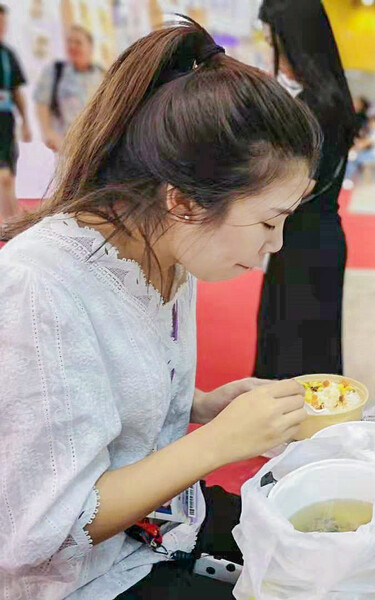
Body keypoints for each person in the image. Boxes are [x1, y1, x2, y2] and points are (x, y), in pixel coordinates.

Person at [0, 18, 321, 598]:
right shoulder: (40, 287)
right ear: (184, 201)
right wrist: (218, 442)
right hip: (87, 579)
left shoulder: (167, 246)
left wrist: (202, 405)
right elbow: (40, 532)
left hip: (165, 528)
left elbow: (101, 400)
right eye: (269, 222)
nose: (275, 245)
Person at [254, 0, 358, 379]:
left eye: (276, 43)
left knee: (295, 358)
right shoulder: (329, 100)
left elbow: (294, 186)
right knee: (305, 351)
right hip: (310, 238)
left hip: (305, 244)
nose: (275, 55)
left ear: (298, 43)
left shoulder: (315, 107)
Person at [35, 24, 105, 153]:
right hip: (65, 147)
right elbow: (42, 103)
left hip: (96, 146)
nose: (72, 46)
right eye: (69, 42)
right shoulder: (55, 71)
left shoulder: (102, 75)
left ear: (90, 47)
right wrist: (47, 132)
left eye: (78, 42)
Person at [0, 3, 32, 222]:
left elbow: (17, 91)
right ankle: (9, 222)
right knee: (3, 176)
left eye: (3, 23)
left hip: (6, 121)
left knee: (8, 177)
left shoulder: (8, 55)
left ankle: (11, 222)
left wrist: (26, 121)